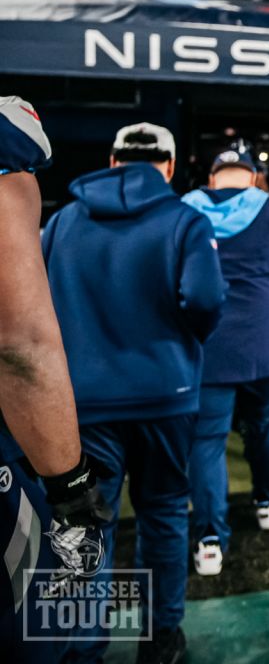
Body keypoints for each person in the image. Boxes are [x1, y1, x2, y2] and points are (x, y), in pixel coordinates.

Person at [43, 122, 225, 664]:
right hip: (165, 400)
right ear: (169, 165)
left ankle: (84, 647)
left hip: (85, 405)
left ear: (113, 159)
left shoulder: (63, 222)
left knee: (85, 528)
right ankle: (161, 636)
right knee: (165, 516)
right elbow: (205, 300)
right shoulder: (185, 222)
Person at [0, 98, 111, 662]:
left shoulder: (70, 221)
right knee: (37, 632)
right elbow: (19, 345)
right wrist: (71, 487)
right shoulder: (7, 144)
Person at [181, 147, 269, 577]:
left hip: (204, 346)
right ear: (255, 176)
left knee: (206, 444)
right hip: (264, 344)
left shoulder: (184, 211)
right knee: (262, 426)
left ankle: (208, 542)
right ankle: (265, 501)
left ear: (212, 175)